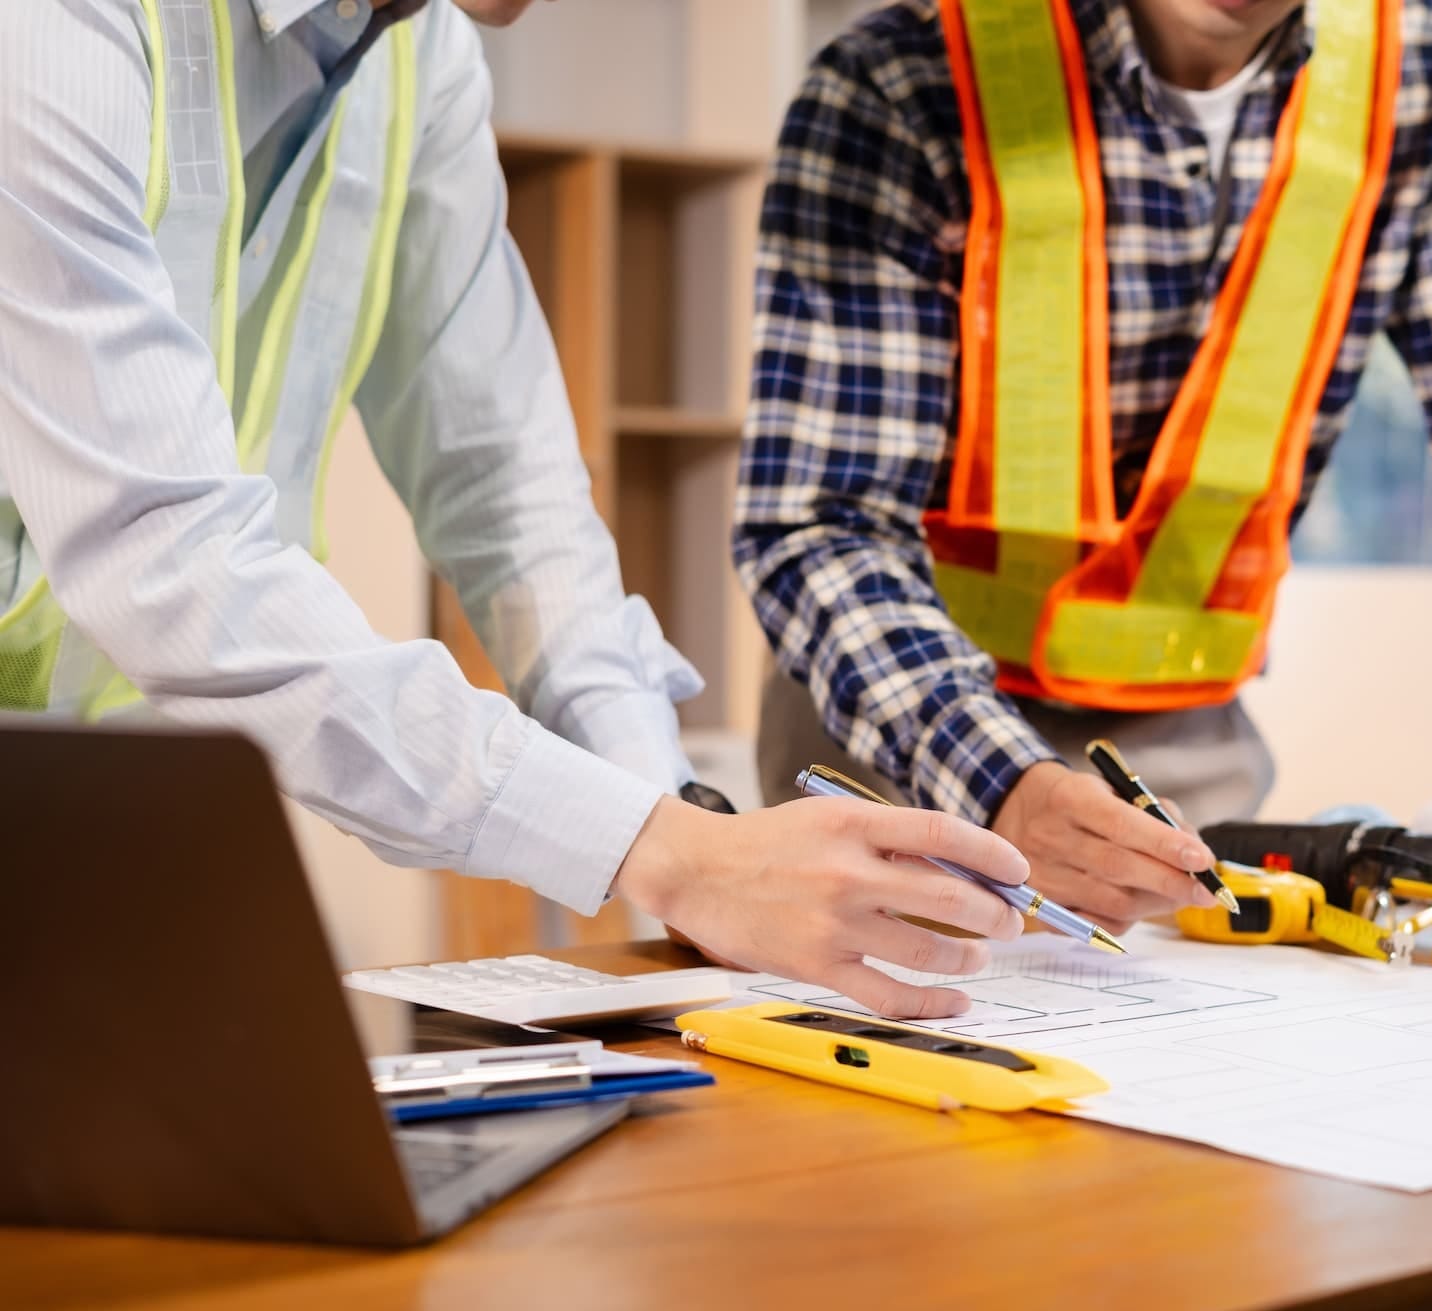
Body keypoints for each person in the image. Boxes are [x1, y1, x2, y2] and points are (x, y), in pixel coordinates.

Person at [0, 0, 1026, 1018]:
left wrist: (676, 814)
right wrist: (660, 851)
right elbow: (169, 562)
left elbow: (507, 487)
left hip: (135, 817)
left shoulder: (421, 55)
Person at [736, 0, 1432, 934]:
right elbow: (819, 521)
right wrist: (1001, 777)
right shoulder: (903, 79)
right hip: (892, 749)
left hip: (1175, 770)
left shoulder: (1428, 60)